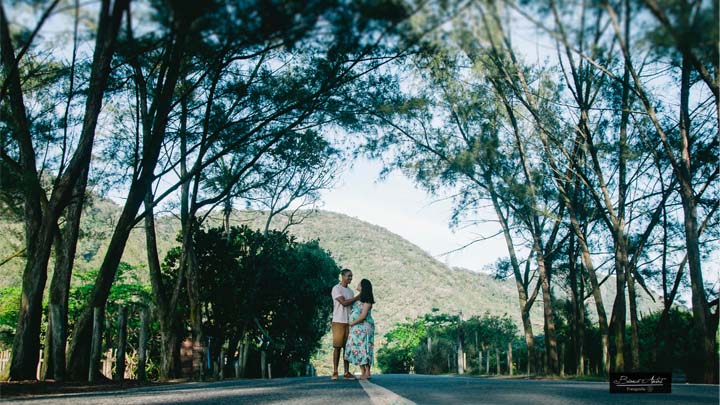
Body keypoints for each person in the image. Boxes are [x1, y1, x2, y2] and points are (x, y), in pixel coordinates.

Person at [331, 268, 359, 380]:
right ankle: (335, 371)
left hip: (348, 322)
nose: (350, 278)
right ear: (342, 276)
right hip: (338, 321)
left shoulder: (351, 292)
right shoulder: (336, 289)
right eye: (348, 276)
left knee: (347, 348)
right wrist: (357, 297)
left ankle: (346, 372)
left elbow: (352, 307)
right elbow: (343, 303)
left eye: (351, 276)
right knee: (337, 347)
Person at [345, 278, 375, 380]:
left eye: (359, 283)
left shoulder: (368, 301)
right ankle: (362, 371)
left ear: (363, 287)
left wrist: (352, 323)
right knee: (357, 348)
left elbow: (363, 316)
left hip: (364, 327)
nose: (357, 284)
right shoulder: (358, 299)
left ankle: (367, 371)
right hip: (356, 328)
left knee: (365, 347)